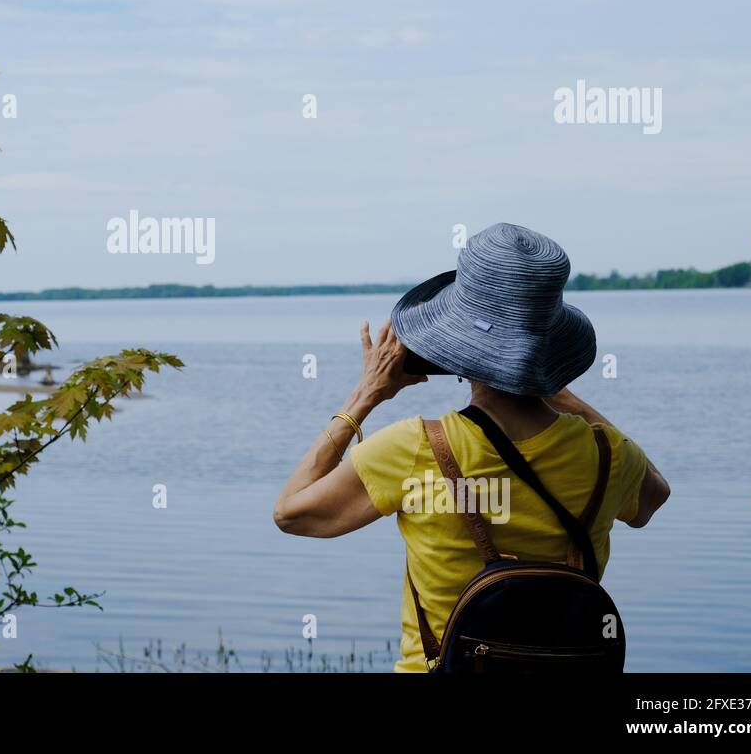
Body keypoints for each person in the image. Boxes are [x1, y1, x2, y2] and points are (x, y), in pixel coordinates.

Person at [272, 223, 670, 672]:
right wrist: (550, 384)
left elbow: (292, 513)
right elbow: (653, 499)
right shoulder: (609, 453)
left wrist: (364, 396)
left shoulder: (414, 448)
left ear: (453, 342)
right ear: (554, 347)